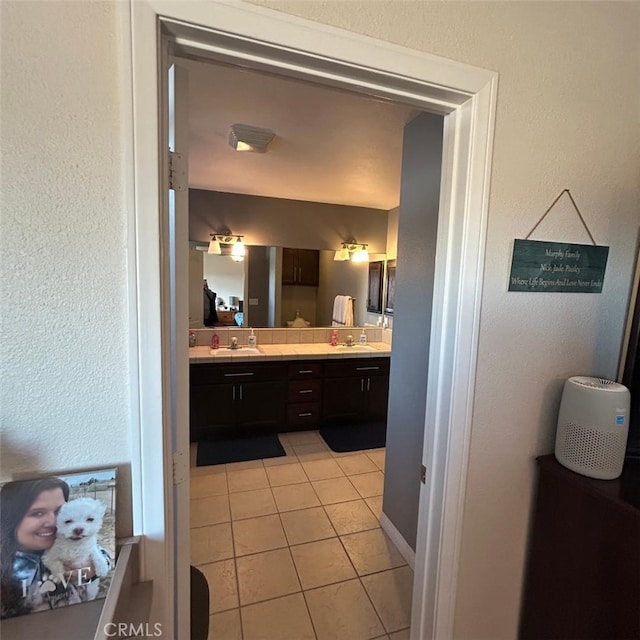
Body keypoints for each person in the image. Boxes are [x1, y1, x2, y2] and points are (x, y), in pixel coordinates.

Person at [0, 477, 111, 619]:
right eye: (38, 513)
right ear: (11, 518)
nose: (53, 522)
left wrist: (92, 570)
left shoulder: (67, 540)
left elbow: (101, 553)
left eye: (59, 512)